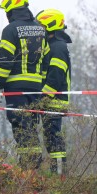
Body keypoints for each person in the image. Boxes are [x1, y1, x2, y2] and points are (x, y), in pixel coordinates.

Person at [0, 0, 49, 169]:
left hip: (16, 87)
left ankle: (28, 166)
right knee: (32, 125)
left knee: (20, 125)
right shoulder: (41, 29)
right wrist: (40, 84)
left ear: (11, 10)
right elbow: (45, 61)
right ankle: (33, 165)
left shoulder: (10, 30)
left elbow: (5, 60)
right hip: (35, 88)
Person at [36, 9, 72, 174]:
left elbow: (56, 77)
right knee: (50, 137)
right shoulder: (52, 45)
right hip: (51, 100)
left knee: (53, 137)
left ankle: (59, 174)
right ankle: (56, 171)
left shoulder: (58, 47)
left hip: (54, 100)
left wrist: (43, 97)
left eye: (41, 26)